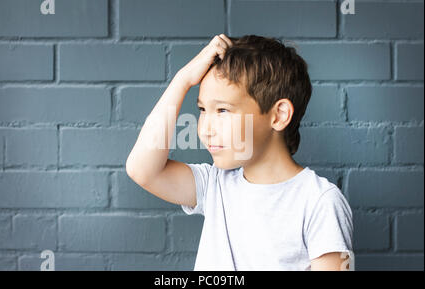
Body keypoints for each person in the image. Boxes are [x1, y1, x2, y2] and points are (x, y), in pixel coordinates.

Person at [126, 34, 353, 271]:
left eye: (223, 110)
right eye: (203, 109)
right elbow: (141, 169)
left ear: (278, 115)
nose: (204, 129)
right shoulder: (214, 185)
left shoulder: (320, 201)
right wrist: (182, 80)